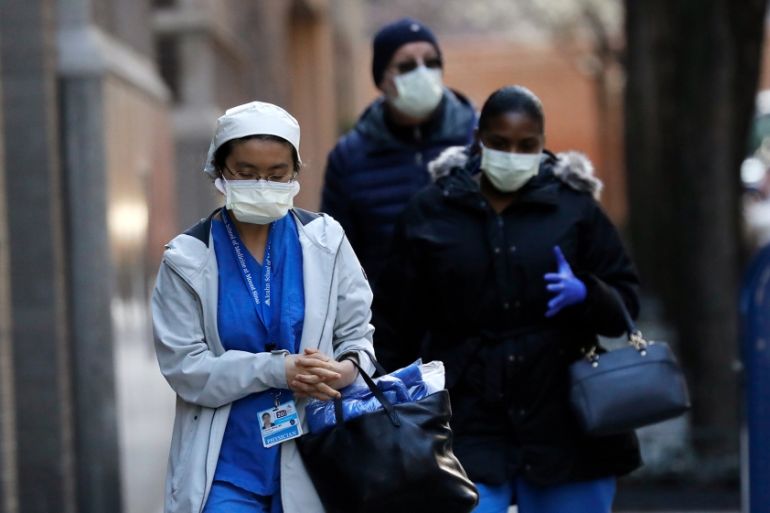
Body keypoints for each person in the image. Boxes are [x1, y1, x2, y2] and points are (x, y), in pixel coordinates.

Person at [373, 86, 642, 513]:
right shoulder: (431, 212)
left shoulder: (575, 209)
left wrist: (588, 293)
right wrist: (392, 410)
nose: (512, 154)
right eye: (500, 143)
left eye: (526, 145)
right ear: (478, 139)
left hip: (565, 421)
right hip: (465, 419)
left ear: (543, 144)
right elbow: (393, 321)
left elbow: (625, 304)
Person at [152, 101, 375, 513]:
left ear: (295, 174)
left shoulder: (326, 240)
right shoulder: (186, 258)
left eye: (276, 175)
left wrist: (343, 371)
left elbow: (357, 337)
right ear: (219, 171)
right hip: (225, 465)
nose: (262, 184)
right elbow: (185, 368)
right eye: (246, 173)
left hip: (316, 454)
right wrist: (278, 370)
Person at [321, 17, 477, 283]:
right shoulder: (349, 157)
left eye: (431, 63)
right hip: (384, 306)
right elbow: (335, 256)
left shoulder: (478, 138)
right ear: (381, 80)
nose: (422, 73)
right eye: (406, 66)